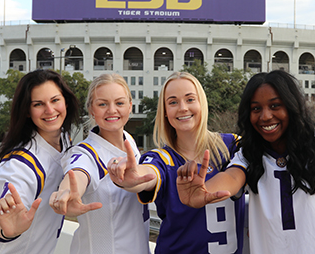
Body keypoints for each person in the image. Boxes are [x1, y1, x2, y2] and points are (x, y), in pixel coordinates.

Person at [177, 70, 315, 254]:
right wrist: (203, 191)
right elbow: (232, 178)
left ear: (292, 106)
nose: (265, 116)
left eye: (275, 106)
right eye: (256, 108)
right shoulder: (249, 154)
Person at [108, 71, 245, 254]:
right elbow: (148, 174)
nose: (182, 108)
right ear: (165, 112)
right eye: (173, 102)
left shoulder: (231, 146)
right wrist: (130, 177)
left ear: (201, 103)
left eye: (190, 99)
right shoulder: (162, 159)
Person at [50, 73, 151, 254]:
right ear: (91, 109)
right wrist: (68, 193)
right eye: (102, 104)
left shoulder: (128, 140)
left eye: (119, 103)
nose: (112, 110)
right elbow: (78, 174)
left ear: (130, 106)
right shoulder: (85, 153)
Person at [0, 69, 79, 254]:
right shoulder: (22, 164)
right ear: (27, 111)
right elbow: (10, 194)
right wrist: (6, 232)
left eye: (55, 100)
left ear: (65, 101)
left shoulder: (63, 138)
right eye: (38, 104)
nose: (50, 110)